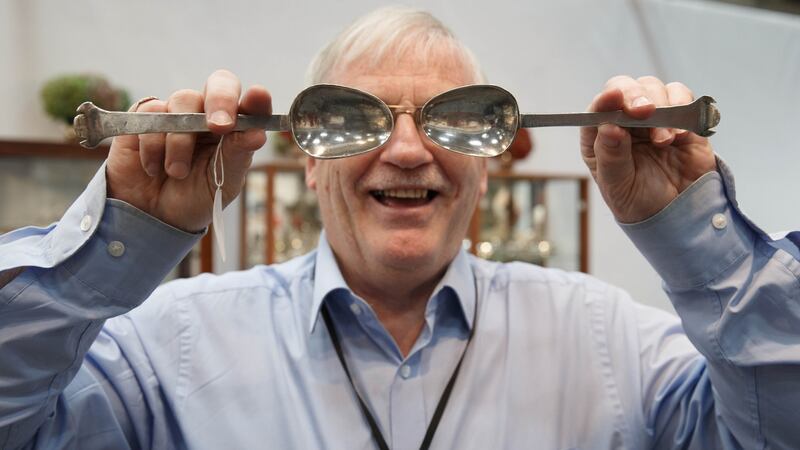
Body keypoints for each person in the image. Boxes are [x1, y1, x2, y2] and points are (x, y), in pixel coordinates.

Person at [1, 6, 799, 450]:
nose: (410, 151)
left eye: (454, 121)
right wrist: (118, 239)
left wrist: (696, 237)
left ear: (487, 164)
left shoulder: (612, 346)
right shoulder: (166, 351)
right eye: (356, 120)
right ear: (308, 161)